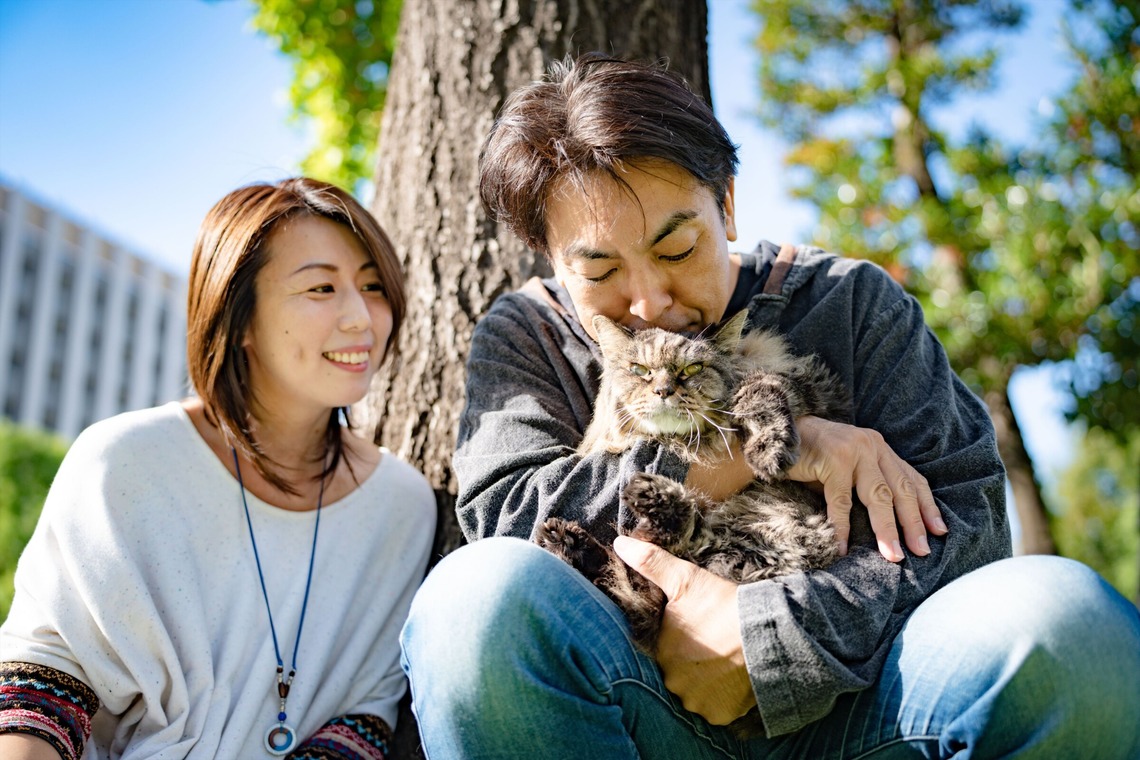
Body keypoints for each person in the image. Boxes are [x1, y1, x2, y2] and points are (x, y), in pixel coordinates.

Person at [399, 53, 1140, 758]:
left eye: (678, 248)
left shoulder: (849, 302)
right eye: (599, 270)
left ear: (725, 205)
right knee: (472, 601)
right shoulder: (528, 335)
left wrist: (771, 636)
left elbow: (971, 524)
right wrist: (750, 452)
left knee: (1068, 624)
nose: (651, 302)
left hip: (872, 712)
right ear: (552, 262)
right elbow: (508, 522)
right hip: (637, 711)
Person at [0, 178, 436, 759]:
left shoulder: (401, 506)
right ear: (241, 317)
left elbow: (361, 720)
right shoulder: (125, 462)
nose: (361, 317)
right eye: (321, 287)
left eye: (374, 286)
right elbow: (41, 689)